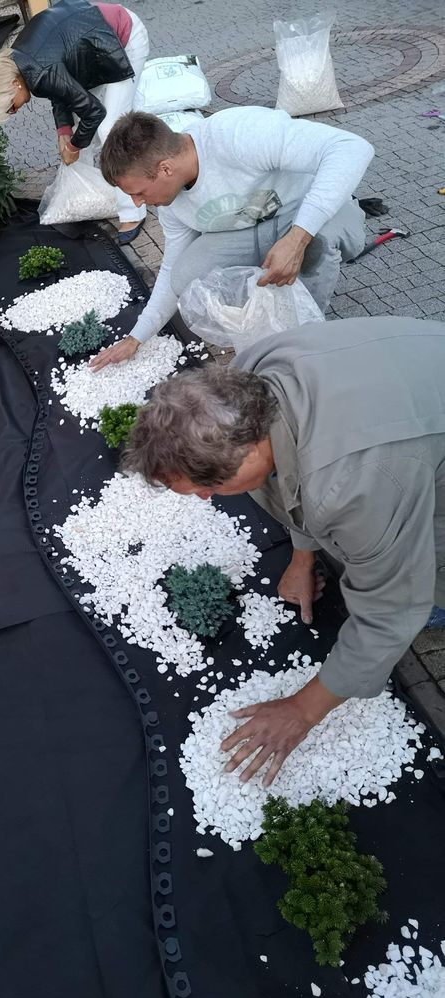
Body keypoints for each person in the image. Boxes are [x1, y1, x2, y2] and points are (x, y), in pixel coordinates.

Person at [122, 316, 445, 784]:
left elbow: (390, 610)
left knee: (422, 579)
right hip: (414, 387)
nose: (206, 498)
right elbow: (288, 473)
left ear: (250, 451)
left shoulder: (356, 484)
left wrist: (302, 710)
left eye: (209, 487)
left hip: (405, 433)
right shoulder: (249, 378)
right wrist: (302, 555)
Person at [91, 109, 374, 369]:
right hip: (250, 226)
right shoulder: (171, 204)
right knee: (185, 276)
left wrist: (298, 238)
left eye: (139, 192)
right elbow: (170, 269)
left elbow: (352, 148)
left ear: (165, 168)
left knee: (316, 245)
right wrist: (136, 337)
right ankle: (264, 321)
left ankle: (309, 339)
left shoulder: (237, 135)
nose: (138, 204)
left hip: (307, 212)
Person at [0, 0, 149, 243]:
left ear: (14, 85)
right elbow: (60, 90)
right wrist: (64, 131)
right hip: (95, 47)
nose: (15, 112)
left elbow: (94, 112)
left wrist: (73, 146)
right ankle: (89, 193)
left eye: (11, 107)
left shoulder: (38, 71)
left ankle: (133, 210)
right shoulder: (20, 61)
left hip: (123, 38)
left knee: (111, 129)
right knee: (82, 129)